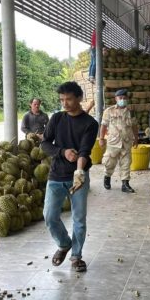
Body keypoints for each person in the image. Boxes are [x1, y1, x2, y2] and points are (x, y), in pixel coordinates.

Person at [41, 81, 99, 273]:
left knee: (79, 219)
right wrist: (63, 152)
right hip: (56, 175)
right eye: (62, 100)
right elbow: (45, 144)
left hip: (77, 176)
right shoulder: (57, 119)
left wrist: (79, 172)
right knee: (49, 216)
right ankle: (64, 243)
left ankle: (76, 256)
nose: (65, 103)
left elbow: (84, 150)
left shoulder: (90, 124)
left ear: (79, 98)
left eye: (69, 99)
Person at [99, 89, 139, 193]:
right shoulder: (109, 111)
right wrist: (101, 138)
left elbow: (134, 126)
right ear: (116, 99)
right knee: (109, 162)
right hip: (113, 142)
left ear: (127, 99)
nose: (122, 100)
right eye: (120, 98)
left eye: (124, 98)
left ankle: (125, 184)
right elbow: (103, 125)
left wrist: (136, 138)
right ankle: (107, 177)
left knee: (126, 163)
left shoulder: (131, 112)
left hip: (126, 141)